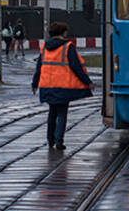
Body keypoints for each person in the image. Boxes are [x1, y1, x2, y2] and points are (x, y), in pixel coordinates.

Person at [31, 21, 93, 150]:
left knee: (52, 113)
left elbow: (39, 67)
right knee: (61, 114)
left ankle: (50, 140)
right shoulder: (67, 47)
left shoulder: (44, 47)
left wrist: (35, 83)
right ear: (63, 32)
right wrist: (88, 82)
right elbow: (76, 67)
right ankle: (59, 141)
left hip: (47, 85)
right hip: (63, 87)